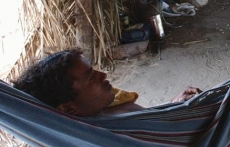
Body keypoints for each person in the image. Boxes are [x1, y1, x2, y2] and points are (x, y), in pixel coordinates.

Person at [12, 49, 201, 117]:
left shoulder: (107, 106)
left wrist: (172, 106)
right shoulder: (102, 139)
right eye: (91, 77)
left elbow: (150, 126)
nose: (103, 75)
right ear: (69, 109)